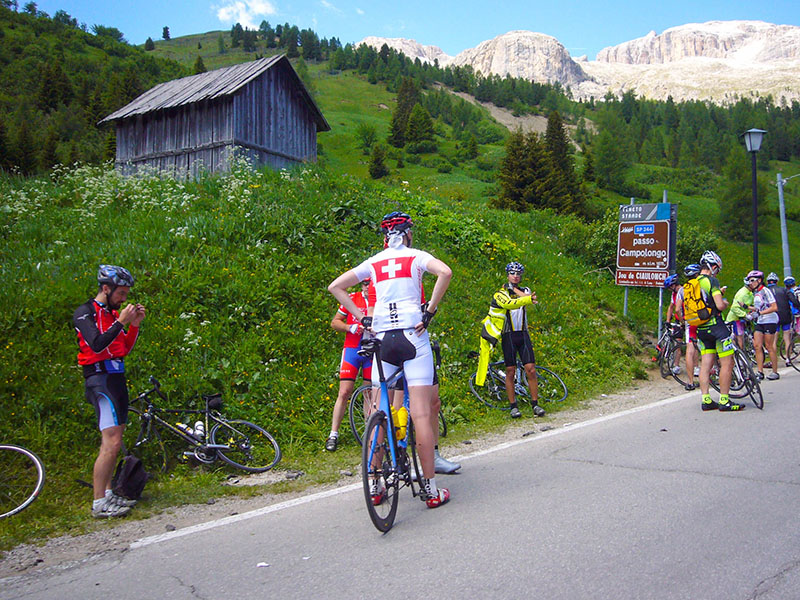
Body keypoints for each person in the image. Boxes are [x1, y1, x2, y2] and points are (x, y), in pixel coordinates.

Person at [328, 211, 452, 508]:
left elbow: (335, 287)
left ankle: (374, 484)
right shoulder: (417, 255)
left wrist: (362, 318)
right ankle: (432, 491)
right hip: (412, 334)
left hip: (382, 337)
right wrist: (430, 310)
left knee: (379, 409)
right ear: (408, 233)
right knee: (420, 413)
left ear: (385, 238)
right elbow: (445, 273)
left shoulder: (373, 262)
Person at [73, 265, 145, 518]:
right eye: (121, 293)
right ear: (106, 288)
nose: (124, 299)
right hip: (99, 379)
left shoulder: (111, 314)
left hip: (115, 377)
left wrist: (133, 325)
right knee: (111, 442)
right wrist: (121, 321)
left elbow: (122, 348)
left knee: (115, 442)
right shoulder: (85, 313)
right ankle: (98, 502)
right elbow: (97, 343)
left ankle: (107, 493)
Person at [475, 262, 545, 419]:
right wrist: (513, 291)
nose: (515, 276)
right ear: (507, 275)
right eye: (512, 273)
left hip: (523, 333)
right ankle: (513, 406)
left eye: (518, 273)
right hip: (508, 335)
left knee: (531, 369)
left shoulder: (525, 290)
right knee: (510, 371)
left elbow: (526, 297)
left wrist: (518, 292)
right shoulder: (500, 293)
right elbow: (510, 304)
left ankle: (535, 404)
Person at [678, 251, 744, 411]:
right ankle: (724, 400)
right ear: (713, 267)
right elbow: (720, 305)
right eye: (718, 269)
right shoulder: (711, 281)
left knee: (705, 365)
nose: (717, 272)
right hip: (717, 328)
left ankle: (706, 399)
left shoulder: (692, 283)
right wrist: (726, 302)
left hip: (701, 329)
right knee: (727, 363)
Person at [325, 279, 373, 452]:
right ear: (361, 285)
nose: (368, 286)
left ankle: (369, 431)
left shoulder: (380, 300)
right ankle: (333, 434)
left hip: (371, 351)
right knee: (344, 392)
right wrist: (349, 327)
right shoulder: (352, 298)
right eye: (365, 283)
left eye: (371, 283)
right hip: (352, 349)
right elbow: (334, 322)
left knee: (369, 392)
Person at [767, 273, 800, 367]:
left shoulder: (766, 291)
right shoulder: (784, 290)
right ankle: (788, 359)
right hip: (785, 316)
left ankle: (773, 360)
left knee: (774, 339)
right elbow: (794, 301)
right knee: (787, 338)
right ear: (777, 281)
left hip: (773, 317)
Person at [753, 272, 780, 380]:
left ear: (759, 280)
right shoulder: (756, 292)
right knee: (757, 346)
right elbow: (759, 307)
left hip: (769, 320)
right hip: (760, 321)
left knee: (769, 346)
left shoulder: (766, 291)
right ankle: (760, 371)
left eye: (752, 280)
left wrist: (760, 313)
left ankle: (775, 371)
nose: (750, 283)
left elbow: (774, 307)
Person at [725, 271, 758, 351]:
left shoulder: (750, 293)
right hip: (735, 319)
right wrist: (745, 315)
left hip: (742, 318)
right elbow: (734, 308)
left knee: (745, 336)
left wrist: (753, 312)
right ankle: (740, 357)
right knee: (740, 338)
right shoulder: (742, 293)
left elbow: (751, 305)